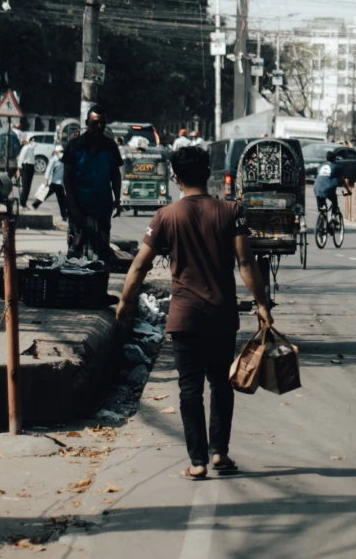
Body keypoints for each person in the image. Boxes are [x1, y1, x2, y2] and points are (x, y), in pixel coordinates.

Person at [116, 146, 274, 480]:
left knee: (189, 389)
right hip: (221, 314)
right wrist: (262, 304)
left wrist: (125, 302)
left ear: (175, 177)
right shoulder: (232, 212)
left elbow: (140, 266)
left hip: (184, 316)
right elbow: (246, 263)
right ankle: (220, 455)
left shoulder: (166, 216)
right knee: (220, 384)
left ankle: (198, 462)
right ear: (208, 174)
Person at [64, 106, 122, 263]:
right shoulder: (74, 146)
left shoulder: (110, 147)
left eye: (103, 123)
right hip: (79, 207)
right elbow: (67, 179)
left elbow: (115, 174)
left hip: (102, 207)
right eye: (95, 123)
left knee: (101, 252)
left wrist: (117, 199)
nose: (99, 127)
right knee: (76, 253)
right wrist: (73, 207)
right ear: (87, 123)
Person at [32, 145, 68, 220]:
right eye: (60, 152)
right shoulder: (53, 160)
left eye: (62, 152)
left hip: (60, 184)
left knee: (62, 200)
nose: (61, 153)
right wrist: (46, 180)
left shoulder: (63, 161)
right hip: (53, 183)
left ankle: (64, 215)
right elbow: (48, 170)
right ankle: (35, 205)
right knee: (45, 195)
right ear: (55, 152)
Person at [313, 150, 351, 216]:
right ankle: (333, 216)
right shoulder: (335, 167)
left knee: (321, 207)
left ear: (326, 158)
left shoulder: (320, 166)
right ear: (334, 159)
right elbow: (342, 180)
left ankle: (321, 217)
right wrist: (348, 190)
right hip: (329, 189)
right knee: (334, 202)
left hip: (317, 188)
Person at [16, 136, 37, 209]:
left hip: (31, 167)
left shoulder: (32, 149)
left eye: (35, 140)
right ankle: (22, 203)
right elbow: (21, 158)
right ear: (29, 141)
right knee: (25, 186)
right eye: (32, 140)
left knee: (28, 186)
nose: (34, 142)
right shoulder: (26, 148)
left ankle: (24, 202)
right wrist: (19, 168)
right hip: (26, 166)